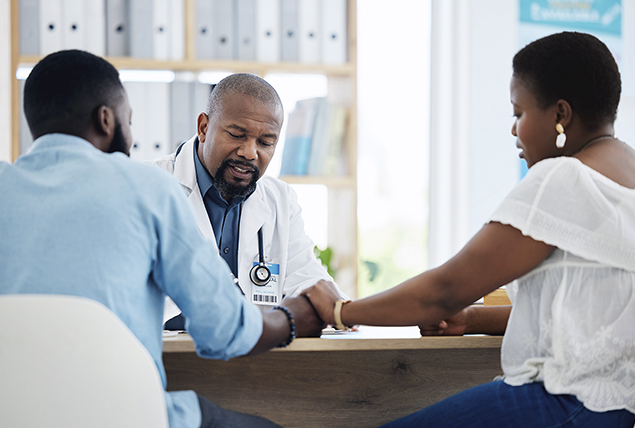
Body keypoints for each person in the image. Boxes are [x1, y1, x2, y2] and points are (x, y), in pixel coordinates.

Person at [302, 32, 635, 427]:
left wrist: (340, 310)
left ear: (561, 115)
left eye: (518, 113)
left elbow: (443, 291)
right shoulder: (625, 177)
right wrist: (471, 320)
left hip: (557, 404)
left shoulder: (563, 178)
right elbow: (585, 320)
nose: (514, 131)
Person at [0, 49, 326, 428]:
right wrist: (290, 318)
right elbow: (222, 330)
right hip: (128, 415)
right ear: (106, 120)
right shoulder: (148, 188)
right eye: (129, 120)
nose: (133, 135)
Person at [149, 73, 347, 329]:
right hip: (169, 356)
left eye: (266, 142)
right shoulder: (147, 187)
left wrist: (336, 308)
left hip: (255, 359)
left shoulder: (281, 200)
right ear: (203, 128)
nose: (250, 153)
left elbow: (309, 281)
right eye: (236, 135)